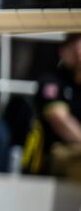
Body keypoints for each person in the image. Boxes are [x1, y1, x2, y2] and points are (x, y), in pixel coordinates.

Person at [23, 33, 81, 180]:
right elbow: (58, 118)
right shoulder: (52, 81)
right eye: (74, 47)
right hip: (55, 152)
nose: (78, 53)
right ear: (63, 52)